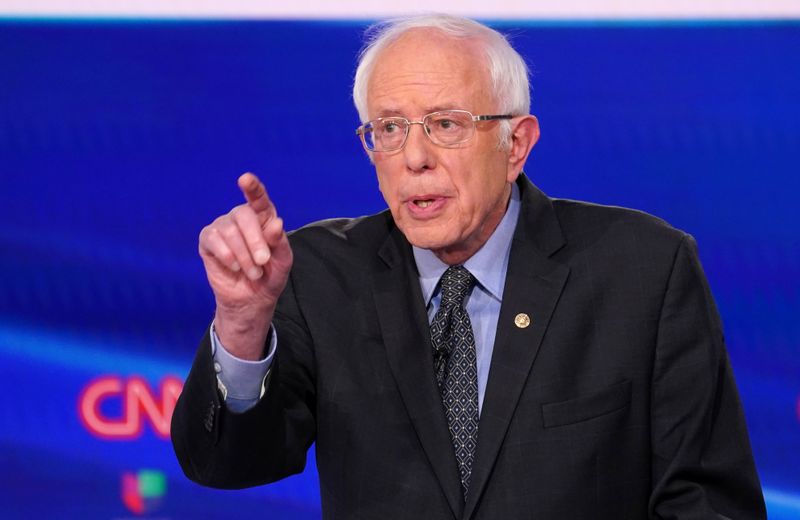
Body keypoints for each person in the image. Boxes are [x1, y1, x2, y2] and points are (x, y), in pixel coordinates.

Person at [171, 14, 766, 519]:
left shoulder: (642, 268)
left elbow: (708, 501)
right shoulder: (319, 274)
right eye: (390, 129)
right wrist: (243, 324)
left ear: (517, 144)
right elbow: (224, 464)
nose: (415, 158)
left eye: (446, 125)